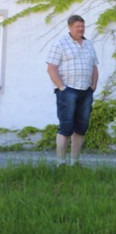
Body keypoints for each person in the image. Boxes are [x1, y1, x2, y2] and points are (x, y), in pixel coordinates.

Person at [45, 14, 99, 165]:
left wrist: (93, 85)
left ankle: (74, 162)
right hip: (68, 91)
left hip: (86, 91)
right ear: (69, 27)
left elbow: (94, 67)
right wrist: (62, 88)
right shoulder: (60, 43)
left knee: (81, 127)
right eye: (77, 26)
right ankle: (61, 162)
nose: (81, 29)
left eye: (82, 26)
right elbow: (51, 68)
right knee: (66, 127)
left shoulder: (88, 44)